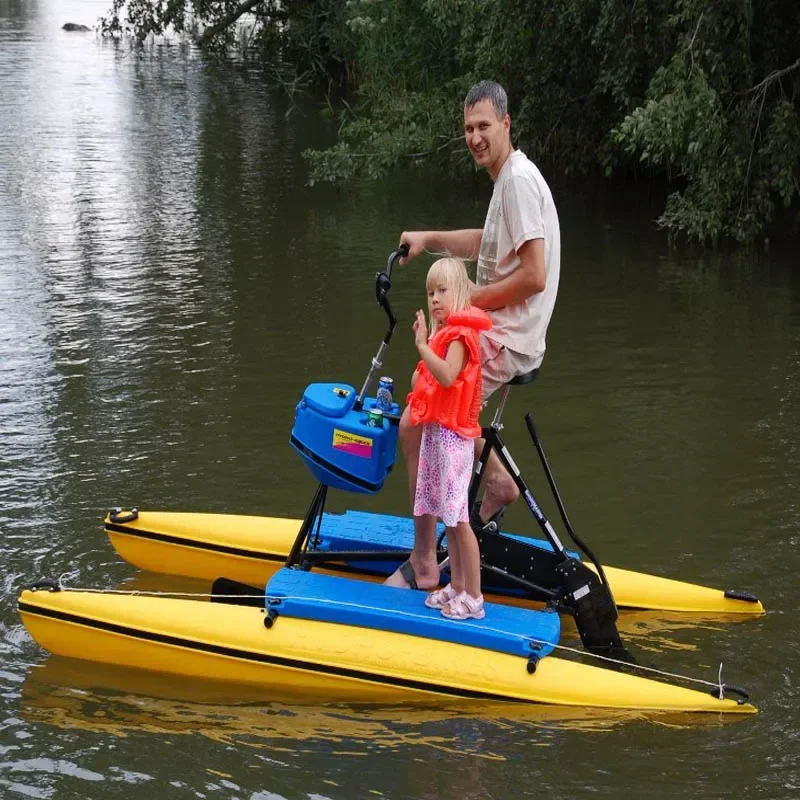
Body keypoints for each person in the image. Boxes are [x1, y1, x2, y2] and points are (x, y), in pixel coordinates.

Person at [386, 79, 560, 591]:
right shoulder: (507, 180)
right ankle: (498, 479)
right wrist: (428, 238)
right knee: (438, 420)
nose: (475, 137)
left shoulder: (520, 181)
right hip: (491, 326)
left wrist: (465, 302)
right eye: (468, 128)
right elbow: (486, 243)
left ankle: (423, 564)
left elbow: (534, 275)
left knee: (416, 425)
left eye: (484, 126)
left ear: (507, 124)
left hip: (504, 336)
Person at [407, 257, 492, 619]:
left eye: (442, 291)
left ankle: (474, 596)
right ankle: (456, 585)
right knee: (448, 516)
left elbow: (446, 376)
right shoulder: (444, 335)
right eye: (430, 293)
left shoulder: (459, 336)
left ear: (459, 293)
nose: (435, 299)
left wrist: (423, 347)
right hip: (438, 435)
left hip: (455, 440)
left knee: (459, 521)